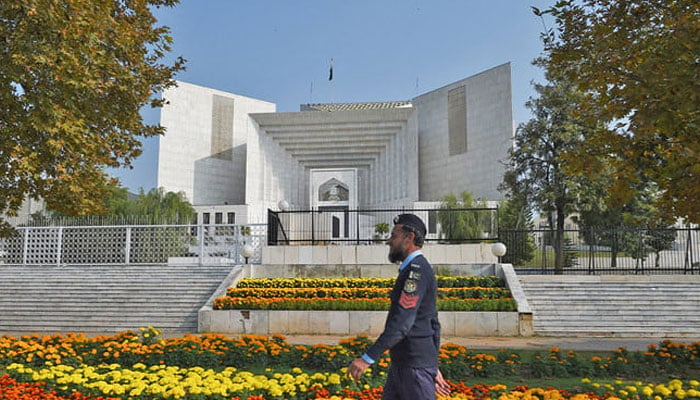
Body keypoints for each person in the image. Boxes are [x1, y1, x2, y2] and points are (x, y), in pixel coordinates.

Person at [347, 214, 451, 399]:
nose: (388, 241)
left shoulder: (415, 273)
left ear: (409, 238)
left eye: (394, 236)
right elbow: (433, 322)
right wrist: (432, 364)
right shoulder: (415, 270)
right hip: (405, 365)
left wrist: (367, 359)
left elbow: (402, 323)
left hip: (413, 367)